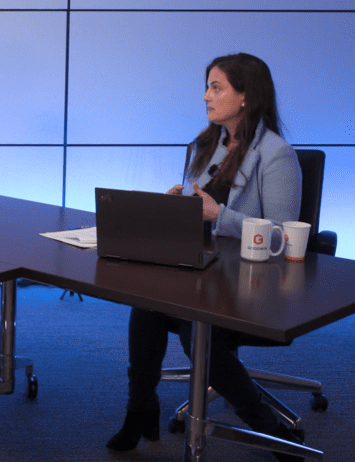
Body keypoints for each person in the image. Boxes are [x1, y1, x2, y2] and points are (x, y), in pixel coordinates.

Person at [107, 53, 305, 461]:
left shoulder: (276, 153)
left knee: (192, 325)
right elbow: (198, 212)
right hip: (206, 270)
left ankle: (269, 428)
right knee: (148, 301)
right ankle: (139, 407)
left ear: (247, 96)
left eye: (216, 87)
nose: (205, 96)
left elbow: (284, 235)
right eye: (207, 86)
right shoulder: (205, 144)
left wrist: (221, 215)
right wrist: (175, 208)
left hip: (253, 282)